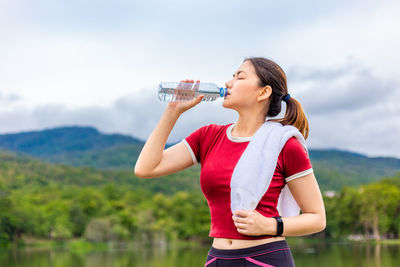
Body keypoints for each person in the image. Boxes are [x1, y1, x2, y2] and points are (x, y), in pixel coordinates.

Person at [134, 57, 326, 267]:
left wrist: (272, 225)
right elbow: (146, 168)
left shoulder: (284, 145)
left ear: (263, 92)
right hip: (217, 258)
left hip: (265, 259)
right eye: (232, 76)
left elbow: (317, 218)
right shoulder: (208, 136)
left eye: (239, 77)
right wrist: (173, 111)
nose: (228, 83)